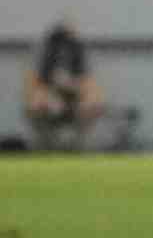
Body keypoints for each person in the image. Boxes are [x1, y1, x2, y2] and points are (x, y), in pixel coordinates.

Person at [23, 20, 109, 151]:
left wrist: (74, 90)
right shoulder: (44, 54)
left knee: (92, 101)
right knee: (36, 101)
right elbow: (33, 86)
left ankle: (79, 147)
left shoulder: (79, 54)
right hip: (49, 98)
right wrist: (50, 98)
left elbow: (89, 85)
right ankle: (45, 147)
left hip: (74, 99)